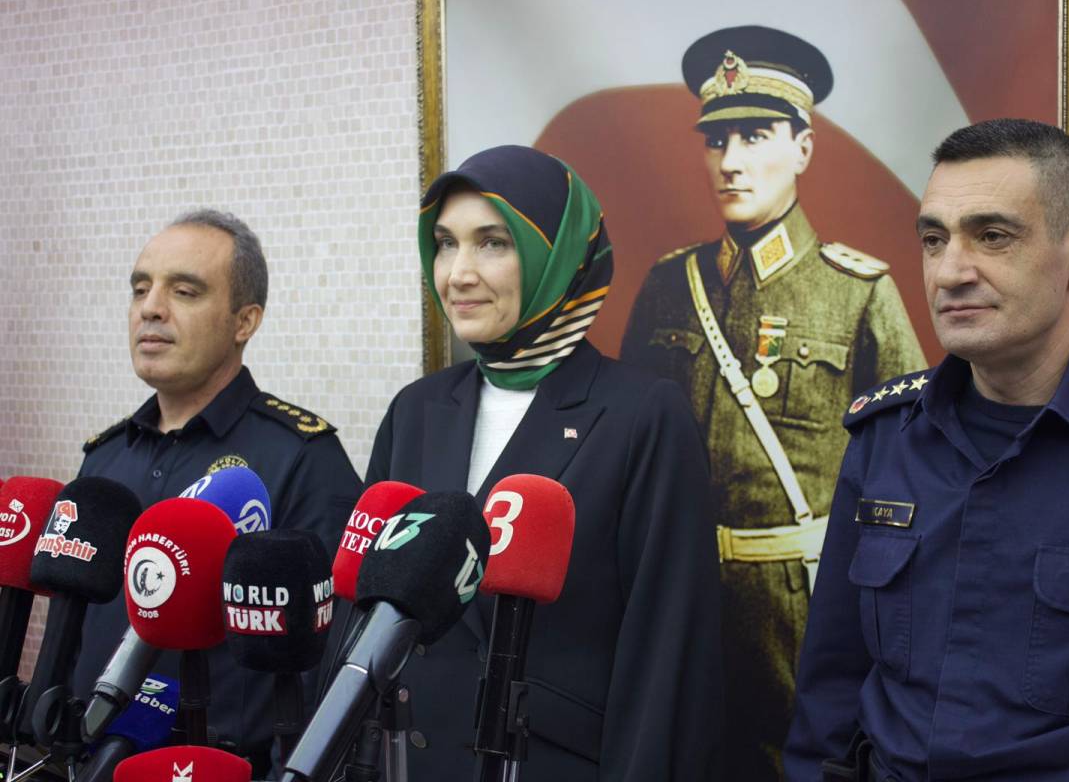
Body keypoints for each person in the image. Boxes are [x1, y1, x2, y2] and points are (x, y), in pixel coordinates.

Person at [785, 118, 1069, 781]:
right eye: (933, 239)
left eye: (992, 236)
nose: (950, 272)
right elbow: (832, 686)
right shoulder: (886, 436)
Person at [619, 24, 925, 777]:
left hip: (801, 604)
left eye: (755, 136)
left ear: (803, 148)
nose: (730, 161)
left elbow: (914, 474)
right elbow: (623, 449)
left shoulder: (858, 294)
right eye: (717, 140)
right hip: (680, 593)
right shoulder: (669, 286)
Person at [365, 145, 722, 780]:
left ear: (558, 256)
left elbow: (666, 655)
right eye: (445, 244)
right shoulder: (416, 409)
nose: (457, 274)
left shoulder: (643, 415)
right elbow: (366, 620)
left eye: (493, 243)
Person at [73, 210, 362, 775]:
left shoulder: (301, 458)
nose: (151, 308)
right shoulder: (102, 459)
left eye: (184, 291)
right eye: (140, 289)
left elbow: (327, 669)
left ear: (244, 321)